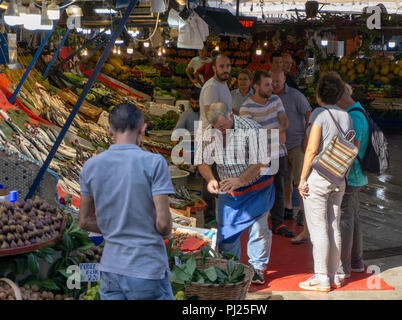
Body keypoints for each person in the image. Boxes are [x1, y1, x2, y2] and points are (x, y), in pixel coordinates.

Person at [78, 103, 174, 300]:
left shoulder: (91, 166)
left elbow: (84, 221)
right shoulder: (154, 163)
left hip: (111, 270)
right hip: (146, 269)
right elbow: (163, 224)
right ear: (142, 128)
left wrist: (116, 227)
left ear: (109, 130)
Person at [196, 102, 274, 285]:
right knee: (227, 231)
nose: (220, 130)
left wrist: (240, 180)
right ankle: (231, 268)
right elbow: (202, 162)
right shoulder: (209, 132)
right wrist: (210, 179)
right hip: (229, 190)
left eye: (222, 126)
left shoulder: (252, 129)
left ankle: (257, 268)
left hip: (258, 186)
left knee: (259, 229)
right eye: (216, 127)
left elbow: (260, 162)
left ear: (231, 114)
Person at [298, 72, 353, 292]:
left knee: (319, 228)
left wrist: (302, 179)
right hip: (339, 177)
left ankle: (321, 277)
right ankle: (334, 274)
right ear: (339, 94)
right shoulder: (346, 116)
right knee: (333, 226)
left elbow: (311, 149)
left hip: (319, 178)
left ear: (319, 95)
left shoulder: (319, 115)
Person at [240, 70, 294, 238]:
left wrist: (282, 129)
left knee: (278, 188)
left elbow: (284, 119)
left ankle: (278, 223)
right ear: (255, 86)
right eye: (267, 85)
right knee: (258, 189)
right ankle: (255, 222)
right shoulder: (246, 107)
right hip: (259, 157)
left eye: (271, 84)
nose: (271, 88)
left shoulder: (276, 100)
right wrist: (275, 132)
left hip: (278, 153)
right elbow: (252, 134)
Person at [270, 70, 312, 244]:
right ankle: (287, 208)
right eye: (272, 81)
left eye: (278, 81)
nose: (275, 84)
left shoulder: (296, 96)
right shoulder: (270, 98)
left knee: (299, 181)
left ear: (284, 79)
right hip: (279, 147)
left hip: (296, 144)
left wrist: (307, 137)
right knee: (284, 180)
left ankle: (302, 211)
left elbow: (309, 114)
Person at [335, 84, 370, 279]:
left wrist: (339, 174)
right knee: (353, 219)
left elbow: (352, 149)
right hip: (357, 175)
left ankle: (343, 266)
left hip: (351, 175)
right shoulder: (359, 110)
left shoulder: (353, 116)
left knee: (345, 221)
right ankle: (356, 262)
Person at [198, 53, 233, 224]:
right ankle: (209, 219)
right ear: (214, 68)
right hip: (210, 137)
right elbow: (210, 114)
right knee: (209, 179)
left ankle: (214, 217)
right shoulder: (212, 87)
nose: (225, 70)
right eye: (222, 66)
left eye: (227, 66)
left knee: (216, 178)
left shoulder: (223, 85)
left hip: (219, 136)